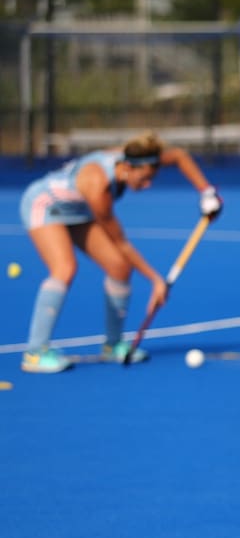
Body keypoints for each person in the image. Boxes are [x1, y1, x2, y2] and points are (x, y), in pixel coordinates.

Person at [17, 132, 223, 373]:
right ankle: (35, 352)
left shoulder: (137, 157)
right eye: (144, 179)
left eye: (151, 179)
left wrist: (206, 192)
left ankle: (112, 345)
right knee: (64, 268)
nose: (147, 185)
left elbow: (178, 156)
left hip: (78, 209)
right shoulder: (98, 187)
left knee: (119, 267)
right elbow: (121, 243)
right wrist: (156, 280)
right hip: (45, 204)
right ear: (127, 168)